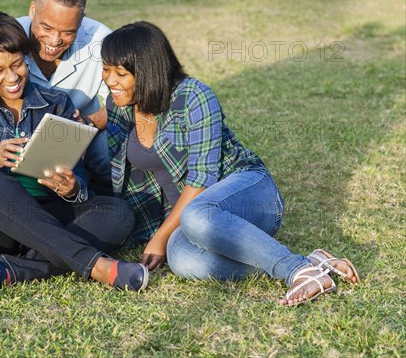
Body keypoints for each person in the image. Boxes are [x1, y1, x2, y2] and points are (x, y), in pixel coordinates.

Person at [101, 21, 360, 306]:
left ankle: (296, 270)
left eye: (120, 73)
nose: (109, 80)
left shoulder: (193, 97)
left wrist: (161, 235)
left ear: (148, 72)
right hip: (185, 224)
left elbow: (202, 180)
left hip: (247, 193)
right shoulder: (119, 107)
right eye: (106, 69)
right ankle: (312, 263)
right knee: (183, 260)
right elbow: (116, 167)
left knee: (197, 215)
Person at [0, 12, 148, 292]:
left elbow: (78, 174)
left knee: (118, 213)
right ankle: (98, 266)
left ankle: (19, 269)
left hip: (50, 212)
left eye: (17, 64)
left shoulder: (56, 103)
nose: (12, 77)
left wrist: (72, 188)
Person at [16, 0, 112, 189]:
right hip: (14, 137)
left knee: (108, 151)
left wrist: (87, 123)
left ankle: (104, 199)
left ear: (81, 20)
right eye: (46, 27)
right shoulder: (4, 37)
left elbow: (126, 98)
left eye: (68, 32)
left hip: (83, 138)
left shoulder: (100, 41)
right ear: (33, 10)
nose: (54, 40)